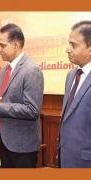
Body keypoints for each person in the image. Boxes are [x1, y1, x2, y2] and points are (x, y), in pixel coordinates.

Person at [0, 23, 44, 168]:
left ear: (15, 45)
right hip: (5, 140)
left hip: (23, 146)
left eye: (2, 45)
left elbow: (32, 110)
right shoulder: (5, 70)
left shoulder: (31, 70)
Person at [59, 21, 91, 168]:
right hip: (65, 158)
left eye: (74, 45)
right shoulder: (71, 75)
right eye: (68, 44)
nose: (67, 49)